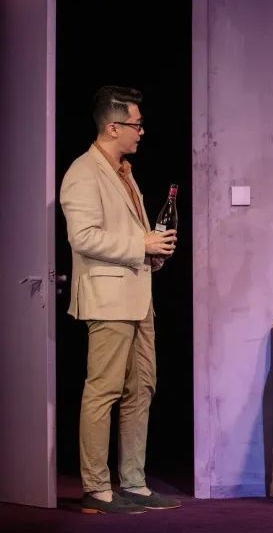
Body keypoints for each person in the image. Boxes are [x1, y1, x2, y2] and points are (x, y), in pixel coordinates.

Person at [60, 86, 181, 514]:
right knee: (104, 391)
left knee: (141, 388)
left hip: (137, 296)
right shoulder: (83, 172)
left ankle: (133, 482)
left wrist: (150, 254)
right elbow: (83, 237)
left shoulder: (123, 172)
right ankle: (96, 488)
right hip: (109, 299)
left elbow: (128, 236)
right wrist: (139, 244)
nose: (141, 132)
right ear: (113, 127)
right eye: (136, 124)